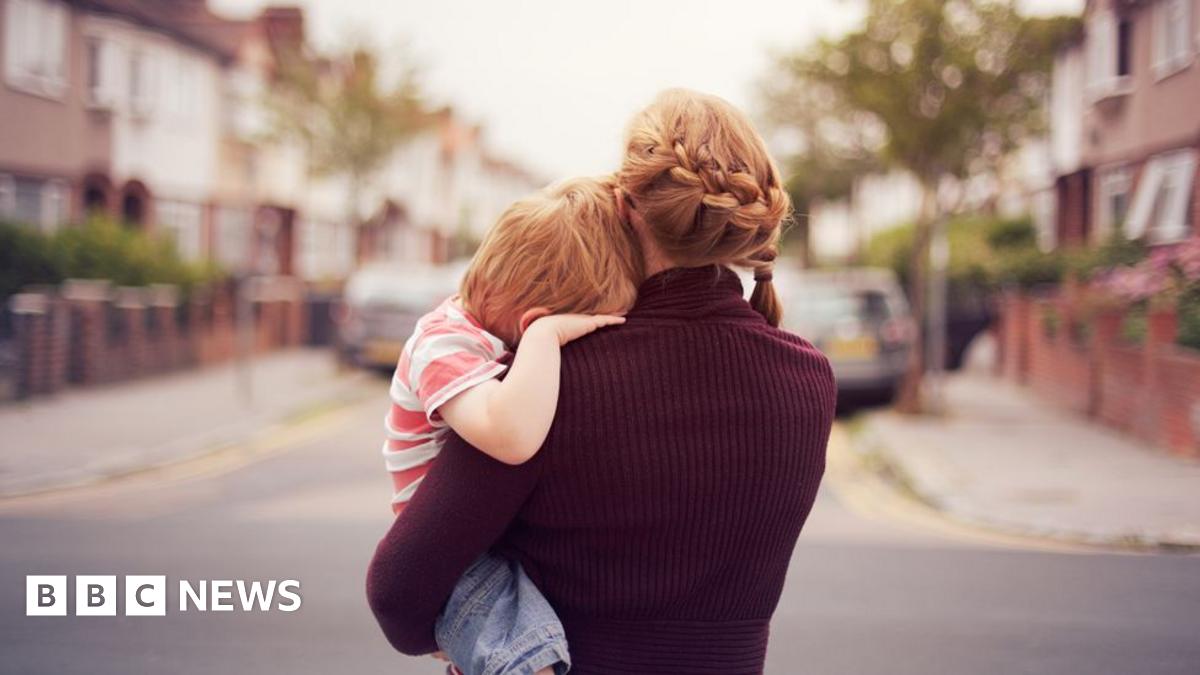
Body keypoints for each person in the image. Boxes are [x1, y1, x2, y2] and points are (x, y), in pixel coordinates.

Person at [367, 89, 837, 674]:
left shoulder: (556, 378)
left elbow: (398, 590)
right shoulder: (810, 379)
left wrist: (455, 637)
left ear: (621, 205)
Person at [380, 176, 643, 674]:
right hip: (456, 563)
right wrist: (549, 339)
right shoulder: (442, 343)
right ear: (533, 320)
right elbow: (511, 439)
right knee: (529, 661)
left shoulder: (481, 334)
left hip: (486, 544)